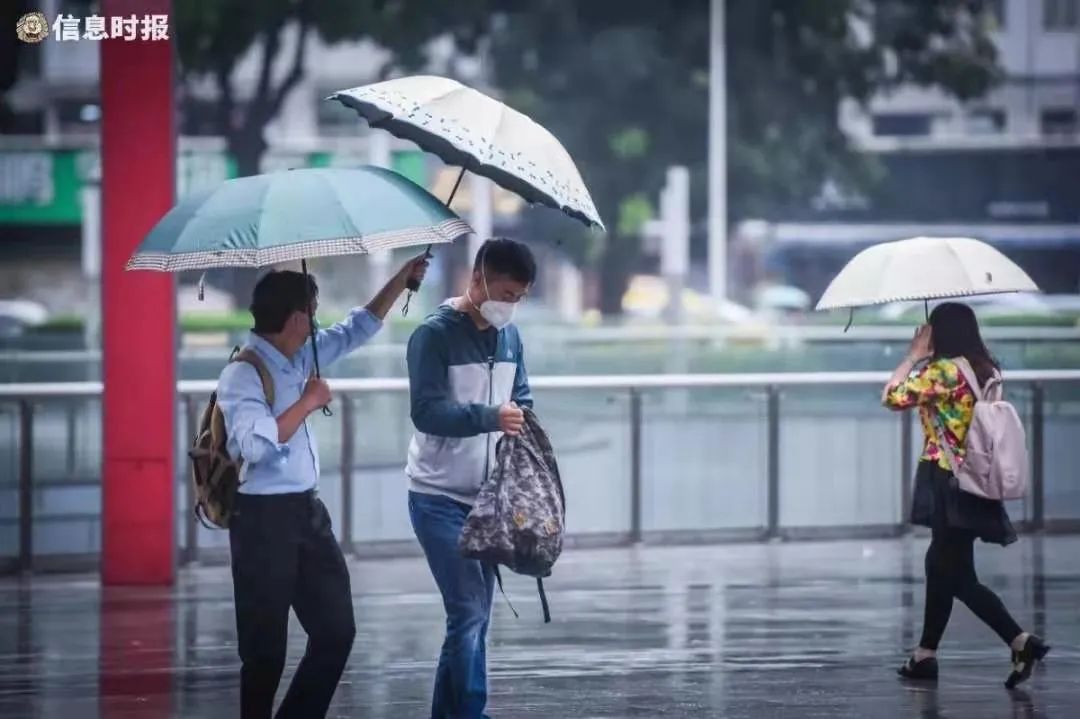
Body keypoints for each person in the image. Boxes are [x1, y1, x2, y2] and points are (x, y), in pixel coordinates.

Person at [217, 255, 427, 719]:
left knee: (336, 631)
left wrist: (400, 280)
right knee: (264, 649)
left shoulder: (303, 353)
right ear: (295, 318)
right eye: (312, 312)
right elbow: (253, 444)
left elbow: (359, 327)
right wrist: (309, 402)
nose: (317, 322)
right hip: (261, 522)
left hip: (306, 515)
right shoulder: (244, 373)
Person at [883, 302, 1049, 688]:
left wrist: (912, 358)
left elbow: (892, 397)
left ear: (939, 332)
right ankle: (925, 655)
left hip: (948, 479)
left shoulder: (942, 371)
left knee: (955, 575)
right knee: (942, 564)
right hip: (976, 477)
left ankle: (1020, 640)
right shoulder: (986, 369)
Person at [405, 238, 536, 718]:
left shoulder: (511, 337)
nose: (511, 306)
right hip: (437, 497)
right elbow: (426, 412)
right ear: (477, 277)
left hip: (486, 500)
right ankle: (472, 712)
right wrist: (490, 417)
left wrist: (518, 418)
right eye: (506, 293)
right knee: (469, 614)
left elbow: (521, 395)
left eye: (520, 297)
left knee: (472, 621)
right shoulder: (433, 336)